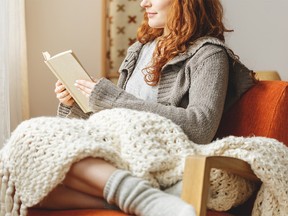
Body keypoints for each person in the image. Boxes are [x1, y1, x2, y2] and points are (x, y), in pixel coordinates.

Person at [39, 0, 255, 215]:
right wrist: (75, 104)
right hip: (119, 149)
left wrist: (113, 99)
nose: (143, 3)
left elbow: (201, 127)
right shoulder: (139, 50)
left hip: (157, 159)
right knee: (36, 183)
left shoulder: (209, 54)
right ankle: (140, 200)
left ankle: (138, 196)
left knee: (36, 153)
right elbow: (117, 116)